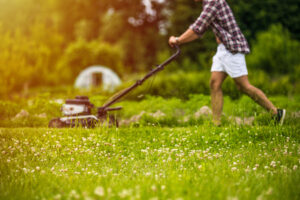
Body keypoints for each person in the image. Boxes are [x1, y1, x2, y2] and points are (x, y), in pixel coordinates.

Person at [168, 0, 286, 126]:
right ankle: (216, 123)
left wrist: (178, 40)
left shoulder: (213, 2)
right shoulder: (207, 4)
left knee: (243, 86)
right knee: (214, 83)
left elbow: (197, 28)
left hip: (232, 49)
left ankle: (275, 113)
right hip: (223, 49)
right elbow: (199, 32)